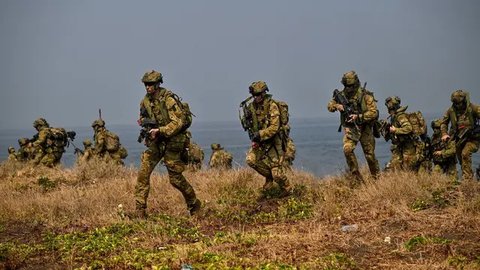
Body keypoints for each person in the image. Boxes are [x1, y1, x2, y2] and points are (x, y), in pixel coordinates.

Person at [134, 70, 201, 218]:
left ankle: (194, 204)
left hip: (173, 141)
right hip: (157, 141)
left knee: (175, 179)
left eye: (150, 84)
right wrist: (145, 124)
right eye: (146, 84)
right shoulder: (145, 101)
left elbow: (178, 122)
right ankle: (140, 210)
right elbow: (144, 116)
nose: (148, 87)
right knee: (143, 173)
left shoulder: (168, 99)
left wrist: (160, 130)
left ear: (158, 84)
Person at [327, 70, 380, 183]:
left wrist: (359, 117)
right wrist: (337, 106)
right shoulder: (341, 95)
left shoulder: (365, 95)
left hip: (365, 129)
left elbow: (374, 112)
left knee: (370, 156)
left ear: (355, 83)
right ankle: (357, 178)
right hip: (351, 129)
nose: (349, 88)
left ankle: (377, 180)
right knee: (347, 150)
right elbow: (329, 106)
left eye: (350, 86)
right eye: (346, 86)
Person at [242, 81, 291, 196]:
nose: (256, 97)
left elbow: (274, 127)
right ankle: (269, 178)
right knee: (250, 160)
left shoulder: (272, 106)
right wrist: (255, 138)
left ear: (264, 93)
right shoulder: (252, 107)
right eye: (254, 95)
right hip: (260, 142)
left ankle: (287, 188)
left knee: (277, 174)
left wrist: (260, 134)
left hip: (274, 142)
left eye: (258, 95)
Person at [440, 90, 480, 181]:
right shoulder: (451, 111)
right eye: (455, 103)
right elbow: (444, 123)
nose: (458, 105)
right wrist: (444, 134)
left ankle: (467, 181)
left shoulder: (472, 108)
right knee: (462, 160)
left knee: (465, 153)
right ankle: (468, 177)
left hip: (473, 139)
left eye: (459, 103)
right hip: (459, 139)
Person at [384, 96, 419, 171]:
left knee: (408, 168)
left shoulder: (400, 116)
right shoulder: (394, 116)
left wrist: (395, 130)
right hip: (400, 145)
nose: (388, 109)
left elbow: (408, 128)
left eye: (389, 107)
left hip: (408, 146)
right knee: (393, 166)